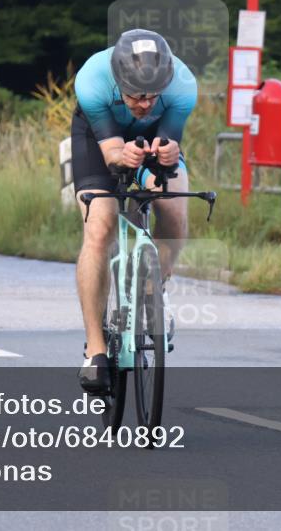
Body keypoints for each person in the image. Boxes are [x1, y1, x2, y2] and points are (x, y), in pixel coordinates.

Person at [71, 29, 197, 393]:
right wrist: (122, 156)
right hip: (99, 141)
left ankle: (157, 285)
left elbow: (168, 142)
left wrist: (169, 153)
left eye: (151, 96)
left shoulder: (183, 86)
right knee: (100, 226)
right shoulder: (93, 79)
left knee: (174, 209)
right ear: (118, 82)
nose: (143, 104)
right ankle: (95, 350)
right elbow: (112, 153)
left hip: (154, 139)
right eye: (134, 96)